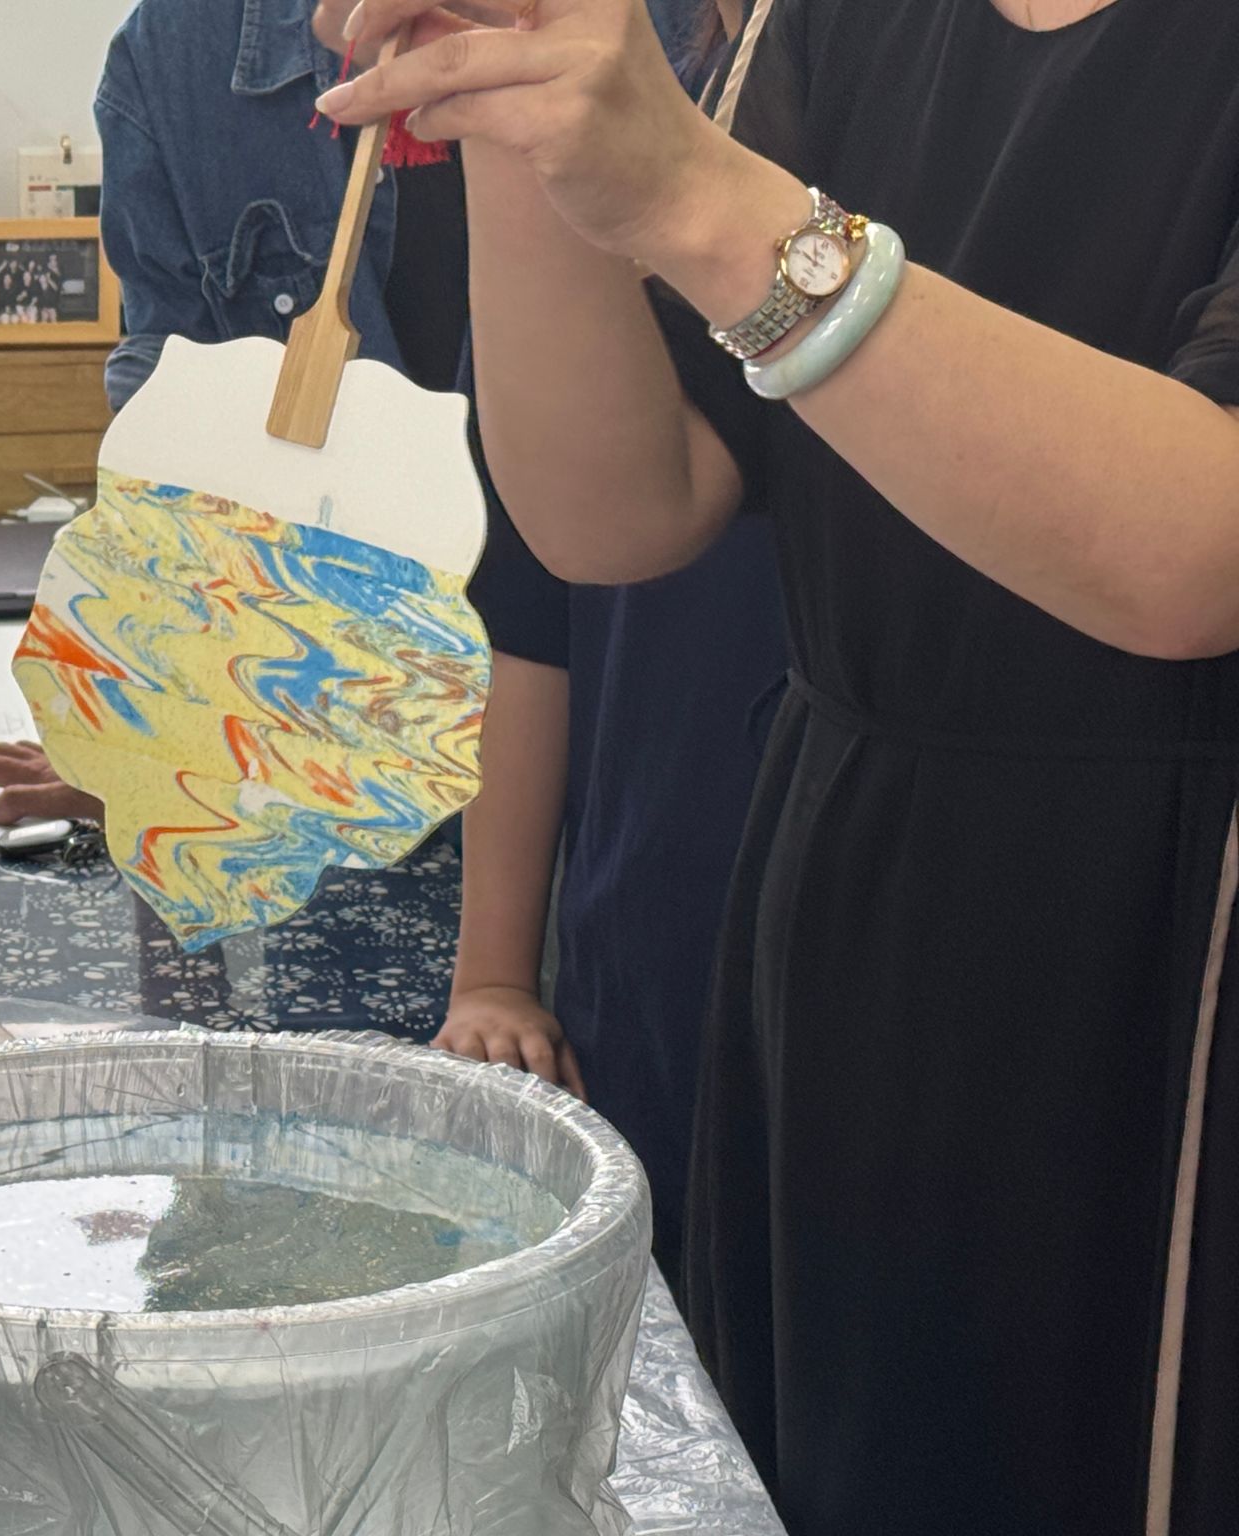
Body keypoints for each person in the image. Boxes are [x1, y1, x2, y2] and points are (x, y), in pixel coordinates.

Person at [315, 1, 1239, 1532]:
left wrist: (697, 195)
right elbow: (620, 510)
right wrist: (510, 93)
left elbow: (1194, 551)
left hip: (1168, 940)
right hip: (845, 890)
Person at [0, 0, 789, 1285]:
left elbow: (574, 560)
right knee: (278, 1249)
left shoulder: (654, 34)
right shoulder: (177, 59)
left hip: (623, 776)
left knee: (599, 1245)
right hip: (337, 784)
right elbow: (182, 444)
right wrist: (153, 722)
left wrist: (496, 961)